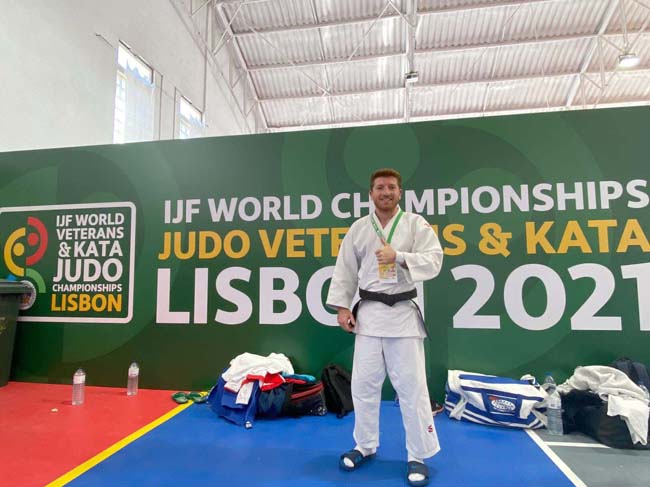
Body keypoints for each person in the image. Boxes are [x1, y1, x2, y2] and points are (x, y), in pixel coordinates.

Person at [326, 168, 443, 487]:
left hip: (403, 316)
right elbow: (345, 268)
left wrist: (399, 256)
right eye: (380, 187)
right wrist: (342, 308)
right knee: (363, 385)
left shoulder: (415, 224)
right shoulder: (359, 228)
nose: (386, 192)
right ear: (371, 193)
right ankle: (365, 445)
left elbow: (434, 260)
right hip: (369, 317)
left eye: (391, 187)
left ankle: (418, 454)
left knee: (412, 389)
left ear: (399, 192)